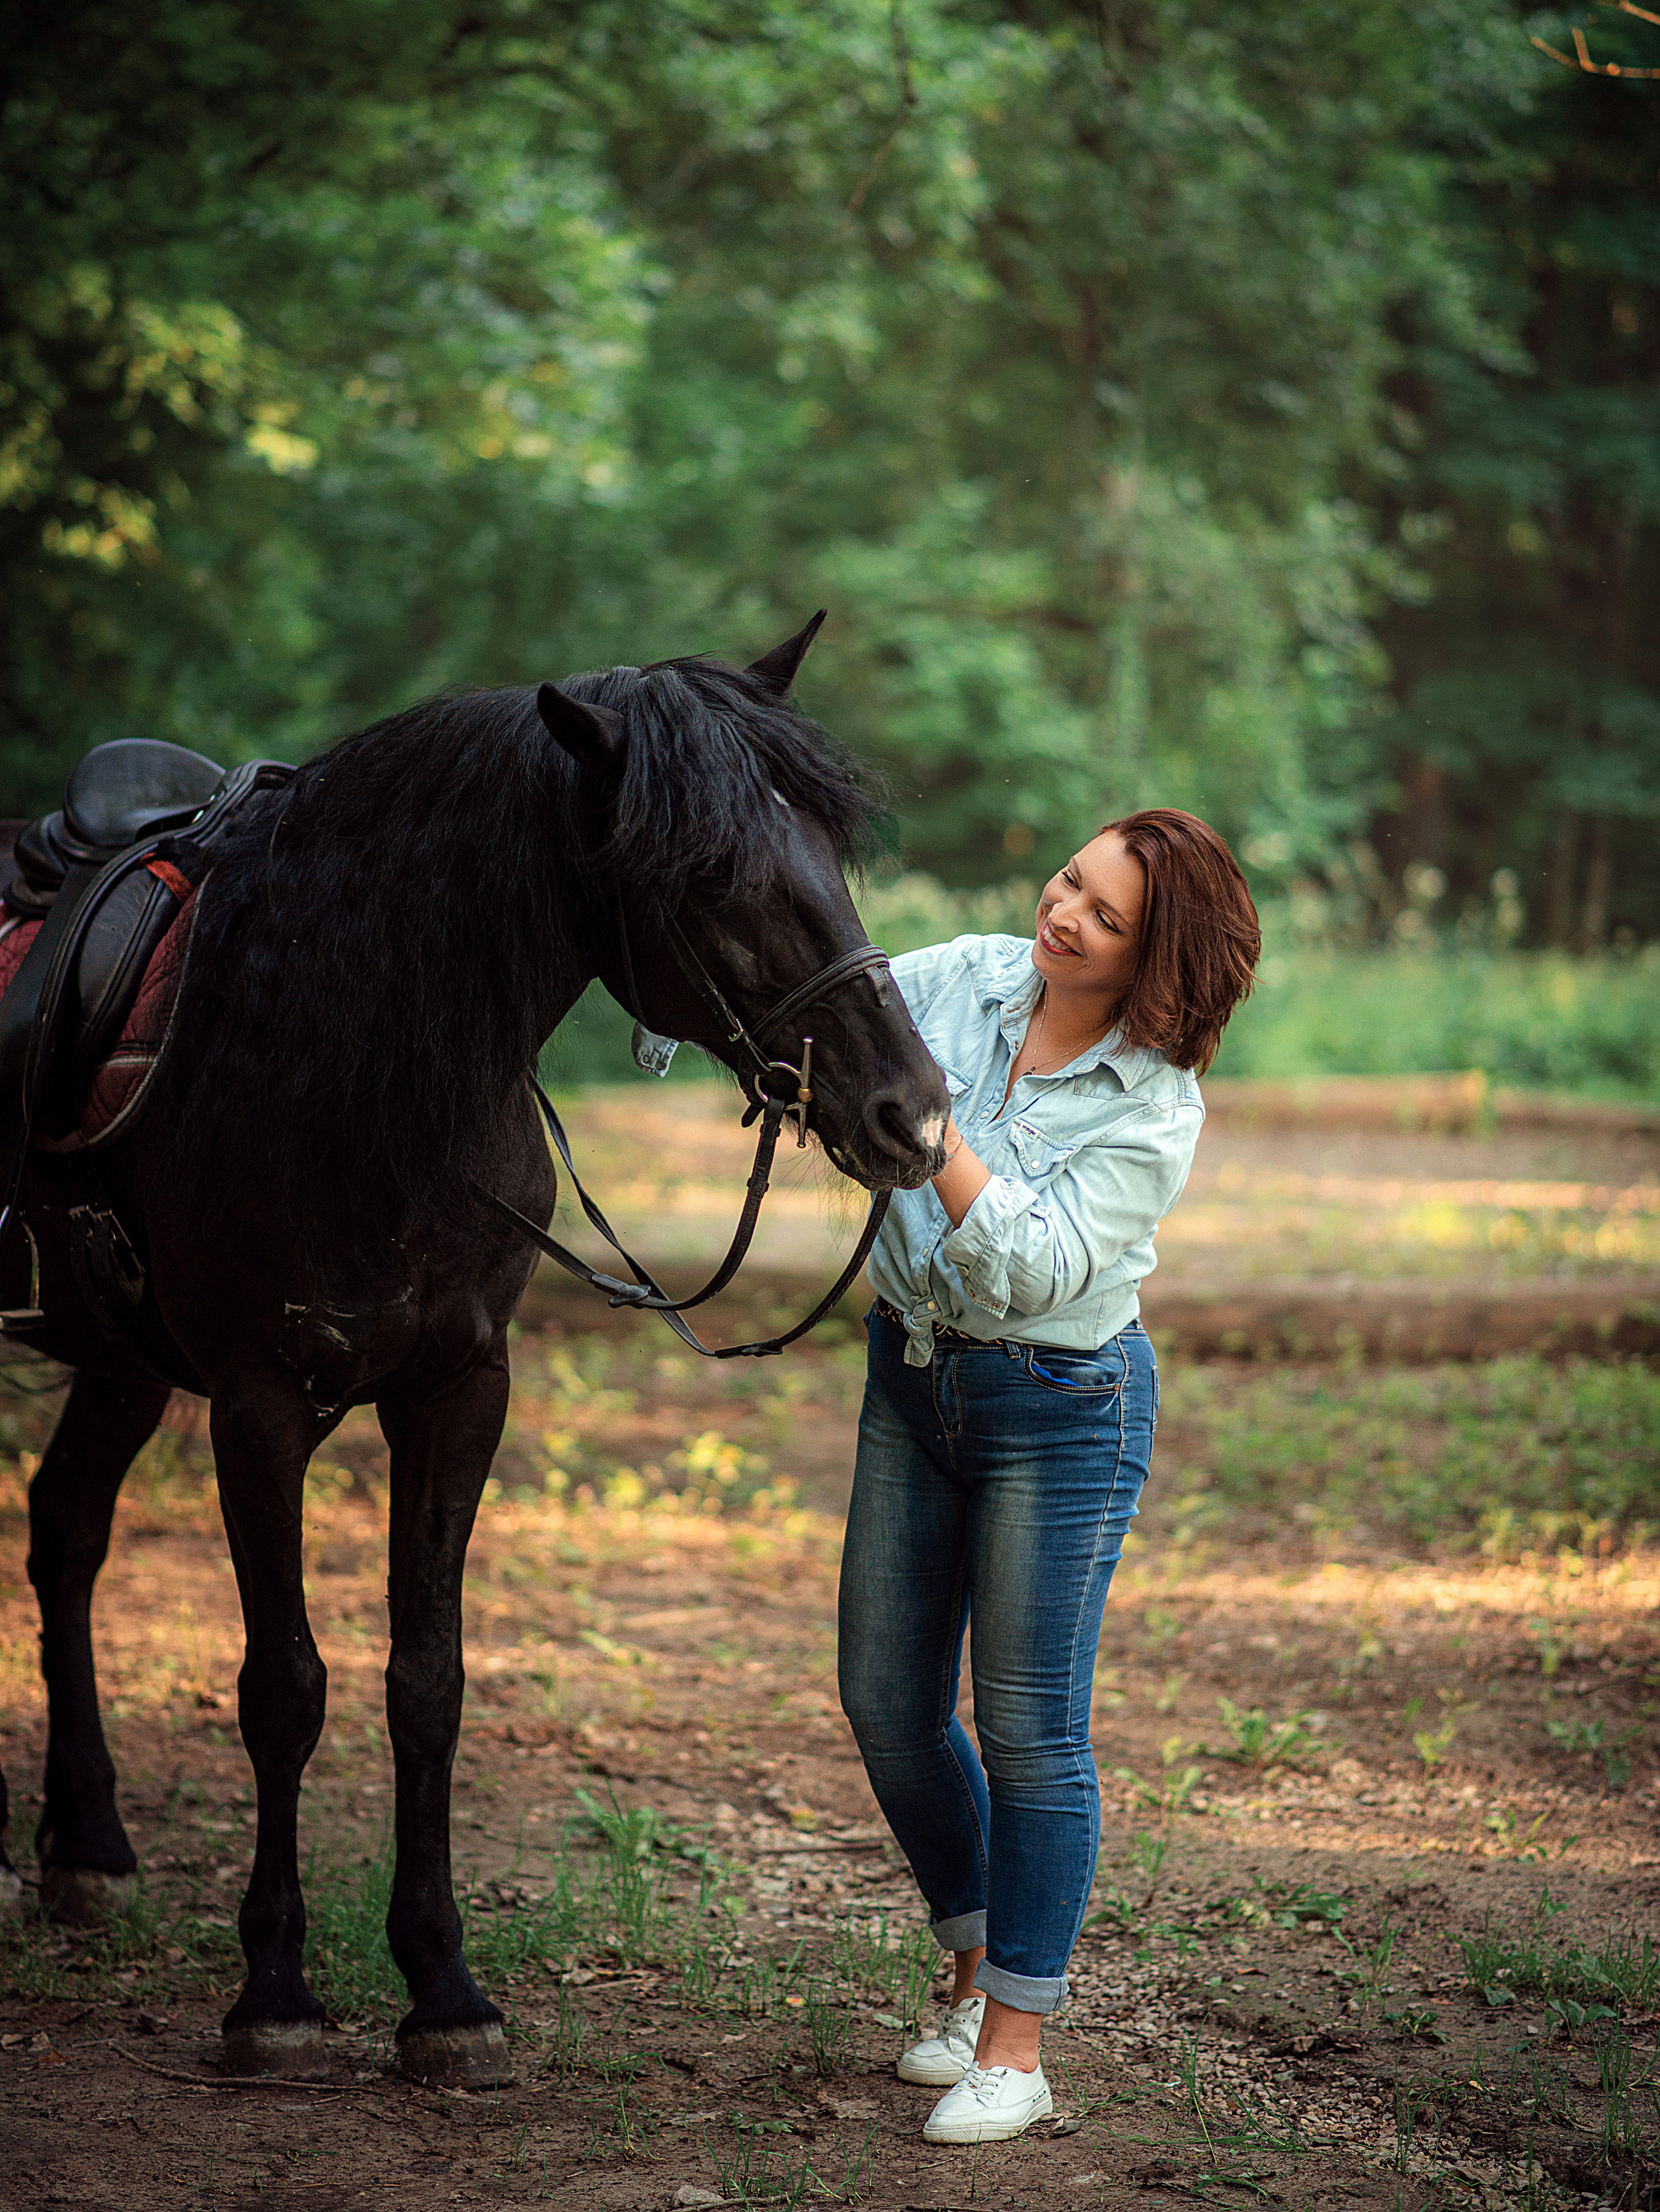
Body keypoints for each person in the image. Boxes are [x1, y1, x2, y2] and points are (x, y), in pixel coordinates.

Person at [837, 808, 1260, 2144]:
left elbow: (1029, 1265)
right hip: (910, 1374)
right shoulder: (965, 973)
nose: (1063, 910)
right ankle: (970, 1969)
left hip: (1059, 1407)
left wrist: (924, 1131)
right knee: (887, 1703)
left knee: (1028, 1732)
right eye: (1069, 878)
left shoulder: (1154, 1104)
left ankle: (1016, 2044)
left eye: (1105, 912)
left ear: (1153, 959)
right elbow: (830, 1004)